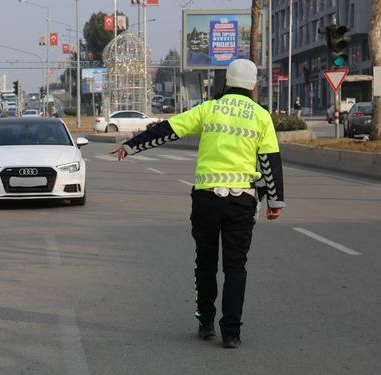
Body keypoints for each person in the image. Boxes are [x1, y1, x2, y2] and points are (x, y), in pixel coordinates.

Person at [110, 59, 285, 349]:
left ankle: (205, 322)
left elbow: (169, 129)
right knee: (235, 268)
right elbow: (270, 161)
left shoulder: (209, 109)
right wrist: (275, 201)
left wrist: (132, 145)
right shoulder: (260, 116)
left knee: (204, 263)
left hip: (205, 200)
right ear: (254, 85)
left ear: (226, 81)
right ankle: (231, 332)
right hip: (241, 200)